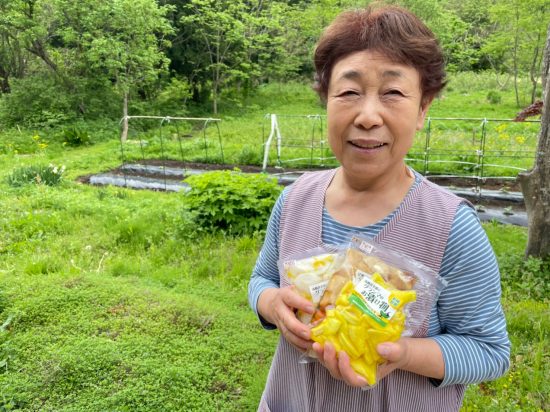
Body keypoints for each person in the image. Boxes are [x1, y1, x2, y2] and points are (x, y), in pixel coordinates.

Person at [248, 5, 510, 412]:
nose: (368, 116)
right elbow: (262, 279)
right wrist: (270, 306)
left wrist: (402, 353)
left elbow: (489, 351)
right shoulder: (294, 199)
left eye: (393, 93)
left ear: (423, 108)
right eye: (349, 92)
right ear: (327, 102)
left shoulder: (451, 227)